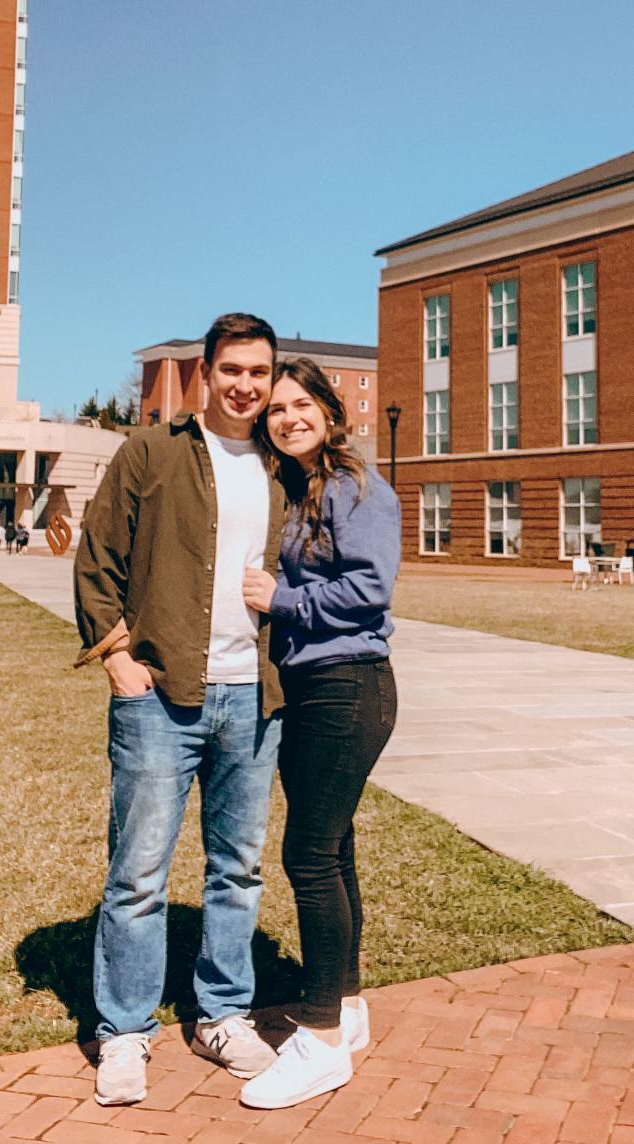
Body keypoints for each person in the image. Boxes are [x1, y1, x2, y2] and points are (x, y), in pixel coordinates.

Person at [74, 312, 286, 1108]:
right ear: (204, 372)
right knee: (138, 874)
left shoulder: (280, 465)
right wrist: (120, 662)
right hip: (162, 696)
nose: (245, 386)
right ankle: (124, 1031)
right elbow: (99, 557)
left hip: (252, 697)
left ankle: (223, 1013)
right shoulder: (152, 452)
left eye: (258, 373)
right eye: (232, 369)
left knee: (238, 868)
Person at [239, 358, 400, 1111]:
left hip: (349, 686)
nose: (288, 417)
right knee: (332, 849)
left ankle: (322, 1039)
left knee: (307, 853)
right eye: (276, 409)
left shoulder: (356, 488)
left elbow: (370, 589)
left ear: (330, 412)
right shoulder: (301, 491)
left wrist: (283, 596)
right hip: (309, 688)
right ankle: (350, 1004)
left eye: (302, 404)